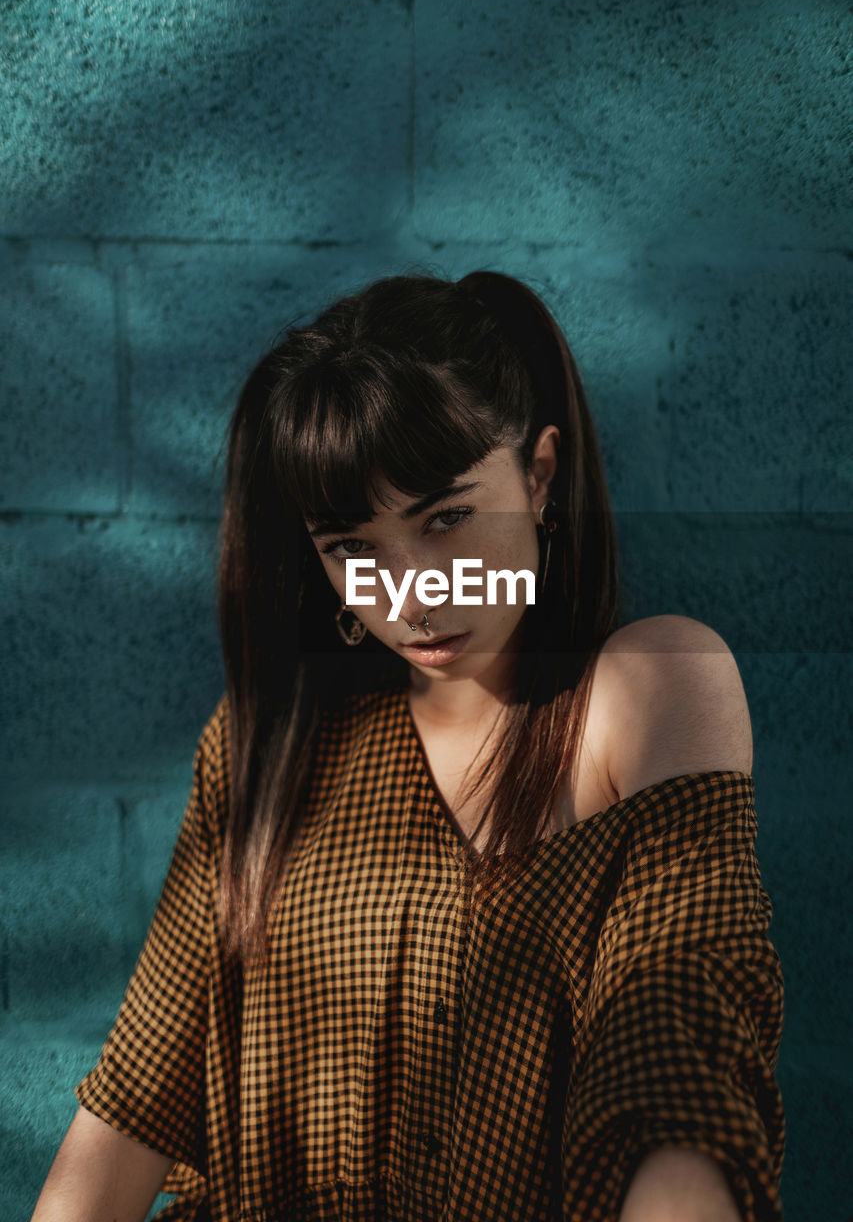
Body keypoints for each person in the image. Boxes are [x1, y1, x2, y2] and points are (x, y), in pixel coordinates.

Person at [31, 271, 785, 1222]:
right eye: (353, 548)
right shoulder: (270, 742)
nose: (413, 594)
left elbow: (678, 1050)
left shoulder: (647, 686)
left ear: (541, 473)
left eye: (445, 519)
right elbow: (134, 1100)